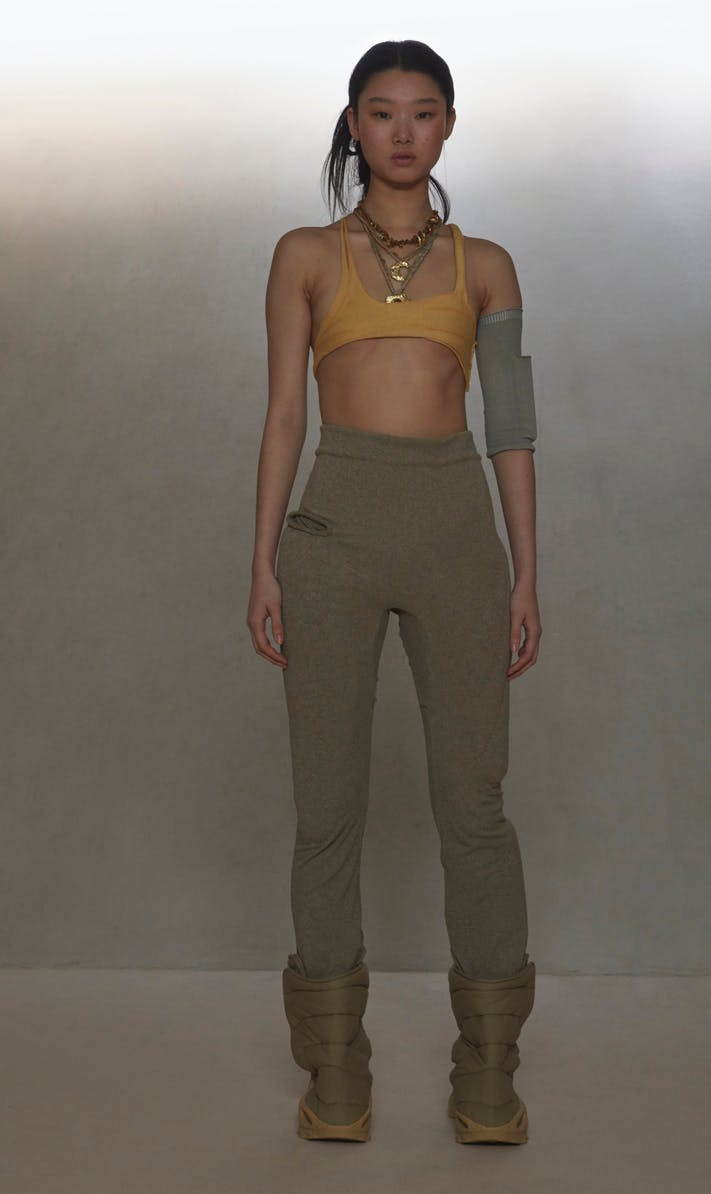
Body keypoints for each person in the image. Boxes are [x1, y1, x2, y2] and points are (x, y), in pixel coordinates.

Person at [246, 39, 541, 1146]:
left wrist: (526, 572)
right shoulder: (303, 255)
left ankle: (488, 1074)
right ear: (353, 125)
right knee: (327, 809)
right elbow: (284, 413)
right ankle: (336, 1071)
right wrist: (262, 558)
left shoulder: (489, 265)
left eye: (423, 112)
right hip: (333, 535)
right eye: (381, 112)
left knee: (473, 804)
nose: (403, 131)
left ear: (448, 125)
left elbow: (509, 428)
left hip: (457, 535)